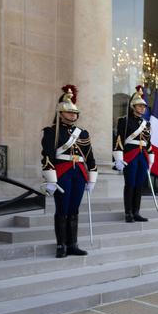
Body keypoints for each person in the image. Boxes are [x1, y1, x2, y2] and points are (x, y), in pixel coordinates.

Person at [40, 86, 97, 258]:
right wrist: (50, 179)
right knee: (62, 209)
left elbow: (90, 157)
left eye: (75, 113)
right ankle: (61, 245)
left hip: (79, 173)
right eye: (69, 113)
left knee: (74, 209)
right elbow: (47, 157)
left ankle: (73, 244)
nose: (73, 115)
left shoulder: (82, 133)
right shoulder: (51, 132)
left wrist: (92, 177)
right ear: (60, 113)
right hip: (62, 173)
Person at [113, 86, 153, 223]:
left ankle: (136, 212)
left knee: (139, 184)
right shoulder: (123, 121)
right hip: (130, 155)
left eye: (144, 106)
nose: (142, 108)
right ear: (133, 106)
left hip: (142, 155)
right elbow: (118, 140)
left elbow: (149, 142)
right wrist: (118, 157)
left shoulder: (146, 124)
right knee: (130, 183)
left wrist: (151, 156)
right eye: (140, 106)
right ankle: (128, 212)